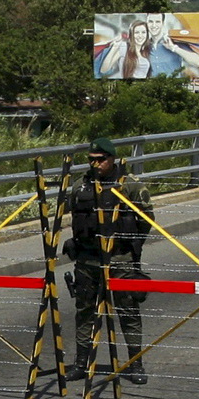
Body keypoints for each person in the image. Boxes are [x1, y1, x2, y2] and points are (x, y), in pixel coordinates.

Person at [62, 139, 151, 384]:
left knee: (128, 312)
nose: (96, 164)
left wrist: (129, 247)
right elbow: (75, 217)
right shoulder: (81, 186)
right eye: (92, 159)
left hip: (120, 261)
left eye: (101, 159)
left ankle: (135, 364)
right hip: (88, 261)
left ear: (112, 158)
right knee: (85, 312)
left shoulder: (130, 186)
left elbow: (146, 221)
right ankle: (82, 362)